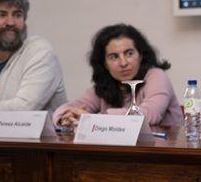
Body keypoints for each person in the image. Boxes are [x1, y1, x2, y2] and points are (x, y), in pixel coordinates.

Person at [53, 24, 182, 128]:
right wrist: (67, 117)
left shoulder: (156, 76)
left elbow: (151, 114)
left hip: (164, 153)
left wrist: (96, 119)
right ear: (105, 63)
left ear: (141, 55)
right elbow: (68, 108)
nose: (123, 63)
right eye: (114, 57)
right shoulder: (107, 84)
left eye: (129, 53)